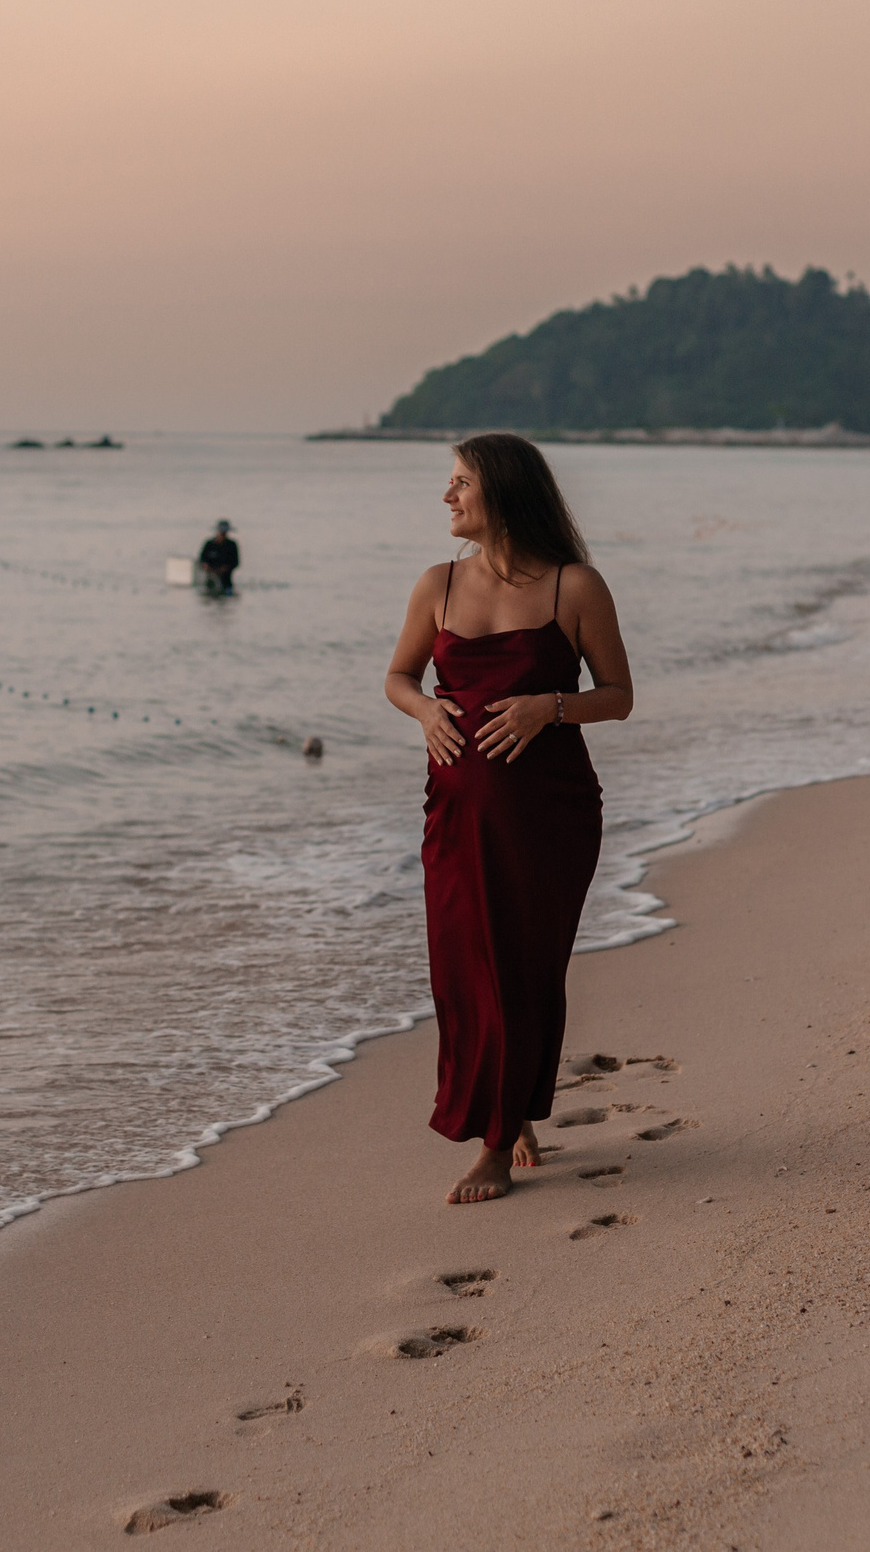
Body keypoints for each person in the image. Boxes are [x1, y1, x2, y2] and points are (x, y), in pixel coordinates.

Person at [383, 434, 634, 1204]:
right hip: (454, 816)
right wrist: (425, 710)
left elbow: (617, 696)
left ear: (503, 491)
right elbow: (398, 676)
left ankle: (497, 1141)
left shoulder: (574, 587)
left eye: (461, 482)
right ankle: (508, 1114)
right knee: (465, 975)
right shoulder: (437, 584)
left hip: (549, 821)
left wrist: (549, 706)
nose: (447, 496)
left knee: (522, 973)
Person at [197, 520, 239, 594]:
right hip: (209, 577)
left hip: (226, 580)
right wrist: (205, 565)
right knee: (208, 591)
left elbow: (236, 562)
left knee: (227, 592)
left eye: (224, 533)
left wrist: (226, 568)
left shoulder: (231, 545)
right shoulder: (209, 544)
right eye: (221, 533)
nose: (222, 535)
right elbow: (202, 559)